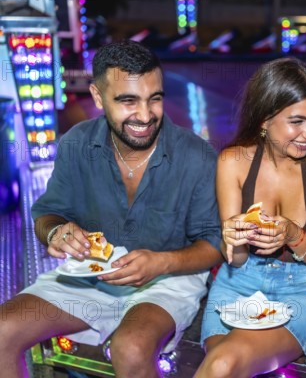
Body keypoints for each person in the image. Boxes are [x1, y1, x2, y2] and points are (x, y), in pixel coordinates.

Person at [0, 40, 223, 378]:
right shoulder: (76, 144)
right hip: (90, 277)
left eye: (155, 99)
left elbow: (215, 244)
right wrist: (58, 231)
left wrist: (162, 261)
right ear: (97, 96)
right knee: (3, 329)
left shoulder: (197, 156)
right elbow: (47, 214)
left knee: (131, 347)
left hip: (168, 278)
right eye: (128, 101)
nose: (146, 115)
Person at [196, 58, 306, 377]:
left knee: (225, 363)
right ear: (265, 120)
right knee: (225, 364)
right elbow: (235, 260)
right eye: (297, 121)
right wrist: (234, 240)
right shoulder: (234, 161)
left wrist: (295, 235)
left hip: (301, 290)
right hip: (237, 285)